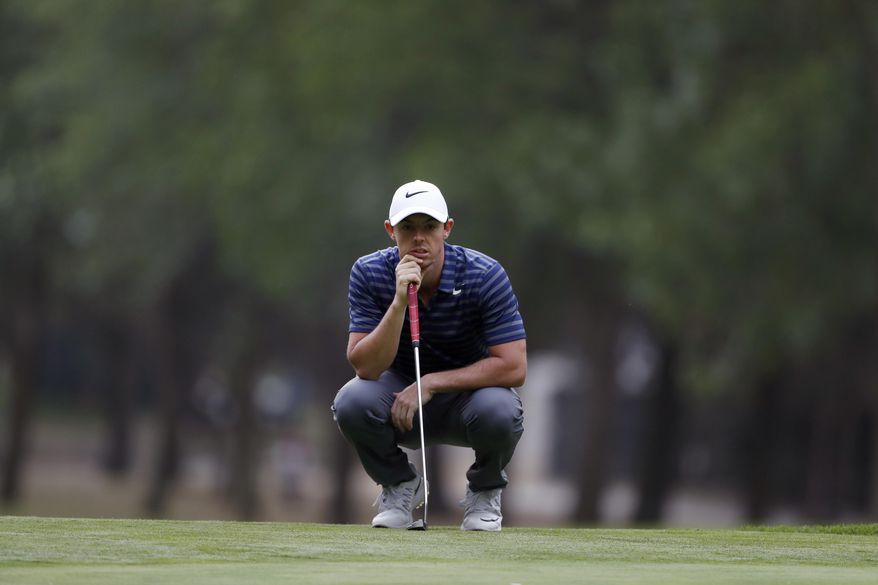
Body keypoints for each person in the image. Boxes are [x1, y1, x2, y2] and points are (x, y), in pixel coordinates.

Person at [332, 179, 527, 531]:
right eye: (408, 227)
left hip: (470, 401)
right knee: (350, 401)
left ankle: (484, 491)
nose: (419, 237)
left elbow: (514, 367)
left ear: (447, 229)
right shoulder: (369, 272)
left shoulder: (485, 275)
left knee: (501, 409)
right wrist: (397, 302)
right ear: (391, 231)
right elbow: (364, 366)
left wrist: (431, 383)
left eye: (429, 227)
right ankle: (399, 483)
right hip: (398, 400)